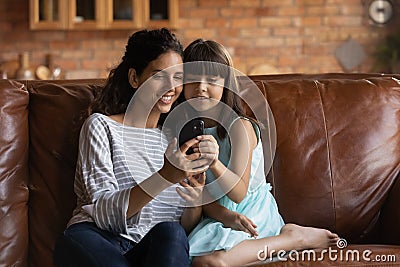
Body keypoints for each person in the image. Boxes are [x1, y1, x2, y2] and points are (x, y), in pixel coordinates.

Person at [53, 28, 212, 267]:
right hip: (99, 240)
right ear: (134, 78)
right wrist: (164, 177)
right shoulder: (101, 127)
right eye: (159, 76)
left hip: (149, 251)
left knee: (172, 233)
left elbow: (181, 230)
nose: (171, 86)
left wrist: (195, 197)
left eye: (177, 77)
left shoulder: (173, 140)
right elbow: (105, 214)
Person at [179, 39, 340, 267]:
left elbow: (238, 193)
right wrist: (225, 217)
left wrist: (214, 162)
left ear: (226, 84)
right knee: (191, 259)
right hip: (220, 215)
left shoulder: (240, 128)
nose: (201, 87)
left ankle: (292, 239)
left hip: (251, 212)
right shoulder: (188, 130)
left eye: (212, 80)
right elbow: (201, 195)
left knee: (212, 262)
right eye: (193, 79)